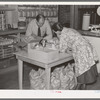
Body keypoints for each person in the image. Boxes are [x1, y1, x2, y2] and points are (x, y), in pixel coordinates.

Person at [52, 22, 99, 90]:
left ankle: (77, 90)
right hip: (87, 46)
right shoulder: (68, 29)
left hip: (81, 49)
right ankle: (83, 87)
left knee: (81, 70)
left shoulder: (63, 35)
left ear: (55, 31)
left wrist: (59, 42)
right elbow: (72, 39)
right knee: (86, 67)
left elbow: (62, 48)